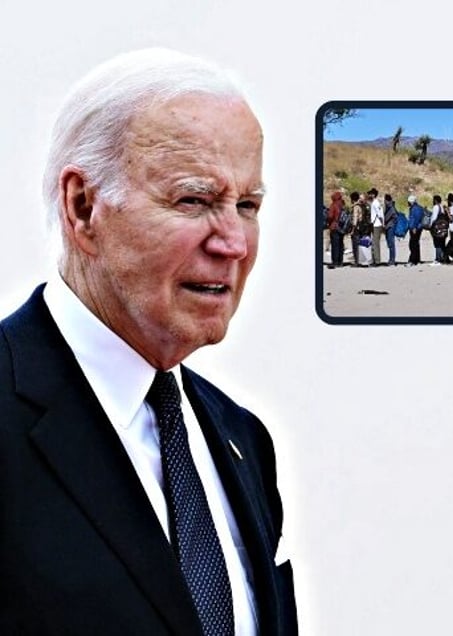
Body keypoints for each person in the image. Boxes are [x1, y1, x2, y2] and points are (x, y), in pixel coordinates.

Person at [0, 49, 297, 635]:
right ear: (83, 207)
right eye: (195, 200)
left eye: (247, 205)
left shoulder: (242, 438)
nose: (234, 243)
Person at [327, 191, 345, 268]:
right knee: (341, 244)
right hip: (342, 227)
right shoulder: (343, 205)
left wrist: (328, 221)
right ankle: (340, 262)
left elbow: (330, 216)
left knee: (335, 245)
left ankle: (335, 262)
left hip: (334, 226)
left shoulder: (333, 205)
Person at [349, 191, 367, 266]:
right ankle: (360, 260)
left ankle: (357, 261)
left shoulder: (356, 207)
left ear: (352, 199)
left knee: (355, 245)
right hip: (362, 226)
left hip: (357, 227)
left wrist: (353, 230)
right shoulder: (362, 205)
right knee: (359, 244)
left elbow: (355, 219)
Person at [407, 194, 425, 266]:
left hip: (415, 228)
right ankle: (417, 259)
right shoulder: (416, 208)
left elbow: (416, 219)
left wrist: (414, 227)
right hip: (417, 228)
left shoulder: (415, 208)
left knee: (413, 244)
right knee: (416, 244)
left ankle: (413, 260)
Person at [367, 187, 384, 265]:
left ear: (373, 195)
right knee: (374, 243)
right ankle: (375, 259)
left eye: (370, 194)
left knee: (375, 243)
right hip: (375, 224)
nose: (369, 195)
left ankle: (377, 261)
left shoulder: (376, 203)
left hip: (377, 225)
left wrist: (382, 224)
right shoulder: (374, 202)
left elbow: (380, 214)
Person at [383, 193, 398, 266]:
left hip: (390, 227)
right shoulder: (389, 207)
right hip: (389, 227)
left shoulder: (391, 208)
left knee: (391, 244)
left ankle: (392, 260)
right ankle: (391, 259)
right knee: (390, 244)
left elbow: (393, 217)